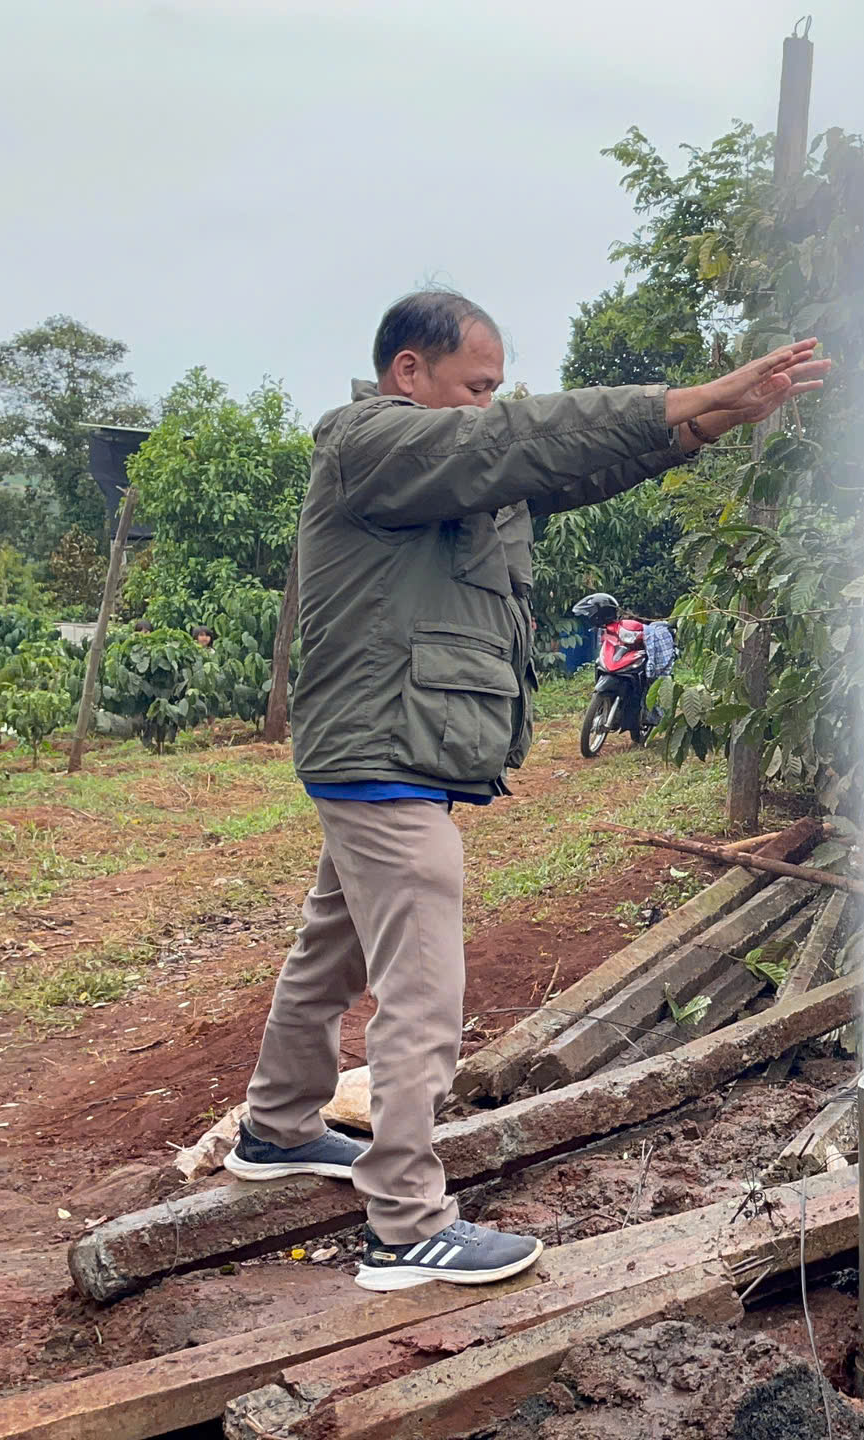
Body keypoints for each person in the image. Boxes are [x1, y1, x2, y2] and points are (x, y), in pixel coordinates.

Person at [225, 290, 825, 1291]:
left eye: (496, 389)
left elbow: (560, 463)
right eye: (476, 386)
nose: (492, 405)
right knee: (422, 988)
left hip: (390, 752)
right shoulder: (369, 443)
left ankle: (278, 1128)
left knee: (331, 949)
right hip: (379, 754)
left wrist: (709, 420)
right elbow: (524, 438)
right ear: (407, 372)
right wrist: (683, 393)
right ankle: (405, 1224)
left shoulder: (461, 472)